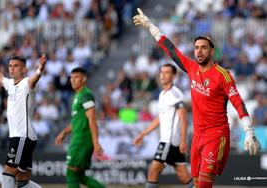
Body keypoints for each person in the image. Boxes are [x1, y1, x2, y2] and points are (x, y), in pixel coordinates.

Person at [133, 8, 261, 188]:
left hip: (216, 135)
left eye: (203, 48)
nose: (199, 52)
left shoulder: (222, 75)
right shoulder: (191, 68)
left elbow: (238, 102)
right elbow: (171, 50)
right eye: (196, 48)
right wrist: (150, 26)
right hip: (198, 136)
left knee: (203, 184)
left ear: (212, 51)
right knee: (197, 183)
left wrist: (249, 130)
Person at [134, 64, 193, 188]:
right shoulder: (162, 94)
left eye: (167, 72)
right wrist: (143, 134)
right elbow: (160, 118)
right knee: (183, 176)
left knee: (153, 171)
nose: (163, 75)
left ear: (174, 76)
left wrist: (183, 141)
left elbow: (184, 118)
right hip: (170, 141)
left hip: (170, 141)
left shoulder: (175, 95)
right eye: (161, 72)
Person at [0, 55, 47, 188]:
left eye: (16, 66)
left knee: (8, 173)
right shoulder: (9, 84)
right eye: (10, 66)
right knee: (22, 179)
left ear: (24, 69)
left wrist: (40, 69)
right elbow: (1, 78)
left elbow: (34, 80)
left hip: (22, 135)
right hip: (21, 136)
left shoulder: (26, 83)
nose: (12, 69)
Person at [55, 67, 105, 188]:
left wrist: (96, 142)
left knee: (71, 173)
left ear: (84, 79)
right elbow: (77, 121)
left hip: (82, 139)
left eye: (76, 77)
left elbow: (92, 119)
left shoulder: (86, 95)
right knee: (79, 175)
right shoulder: (77, 96)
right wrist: (64, 132)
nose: (72, 80)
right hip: (79, 138)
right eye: (71, 77)